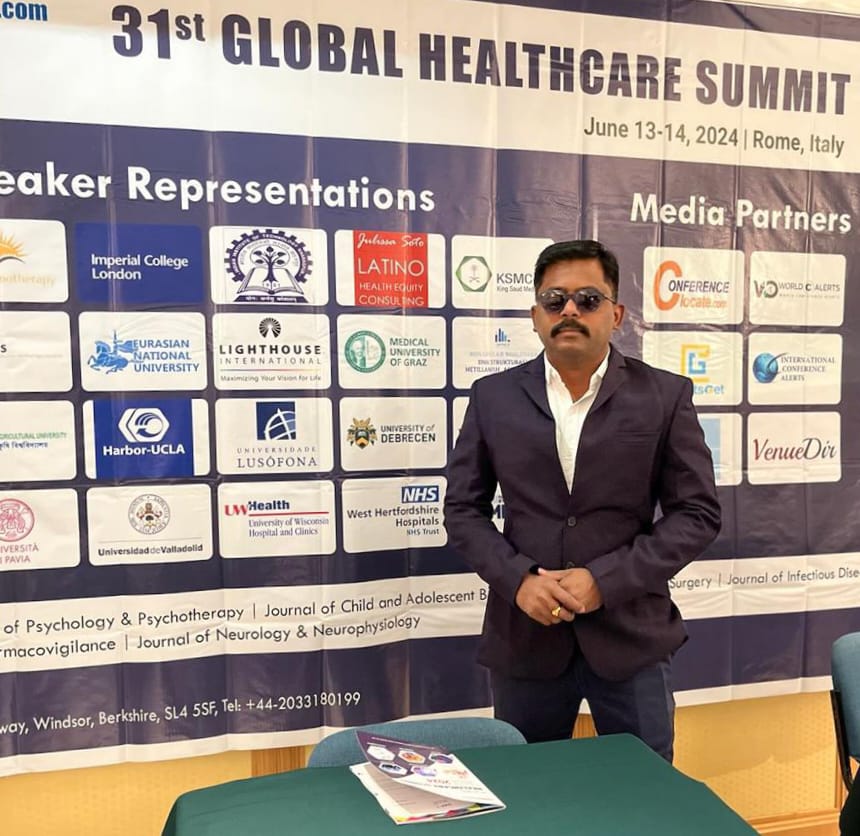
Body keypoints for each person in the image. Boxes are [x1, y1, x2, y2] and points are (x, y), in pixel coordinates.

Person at [443, 239, 721, 761]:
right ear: (535, 316)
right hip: (525, 639)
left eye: (588, 299)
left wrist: (605, 580)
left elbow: (697, 514)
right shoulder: (492, 397)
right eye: (554, 300)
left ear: (616, 314)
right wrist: (518, 580)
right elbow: (462, 510)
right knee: (527, 793)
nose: (569, 310)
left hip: (631, 637)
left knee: (642, 792)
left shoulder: (665, 396)